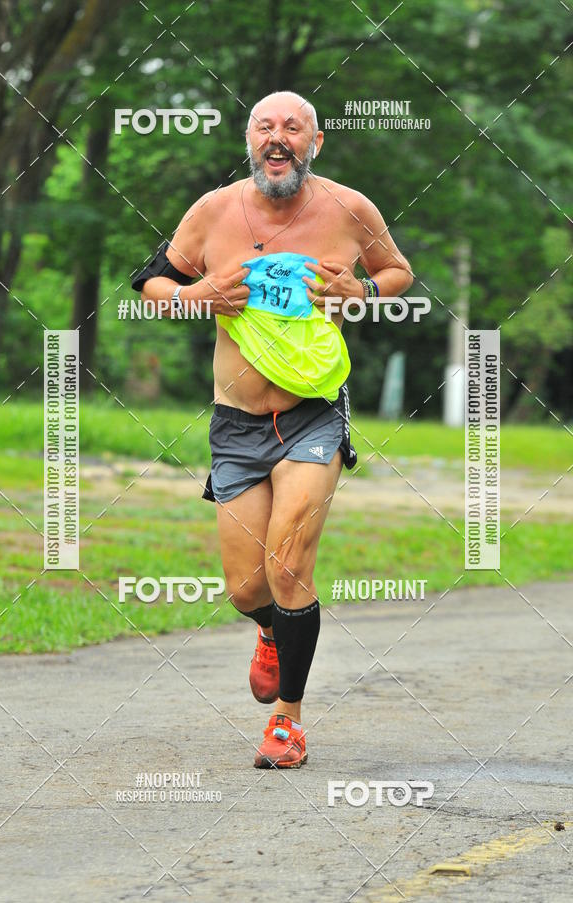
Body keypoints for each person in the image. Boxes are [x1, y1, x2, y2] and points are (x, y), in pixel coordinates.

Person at [132, 90, 413, 768]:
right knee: (246, 587)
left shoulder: (349, 209)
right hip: (235, 425)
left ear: (316, 143)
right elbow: (151, 284)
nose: (278, 136)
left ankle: (287, 720)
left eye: (293, 127)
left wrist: (365, 293)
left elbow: (398, 272)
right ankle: (269, 630)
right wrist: (195, 296)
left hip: (313, 413)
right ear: (249, 140)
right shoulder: (213, 210)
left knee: (289, 566)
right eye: (265, 126)